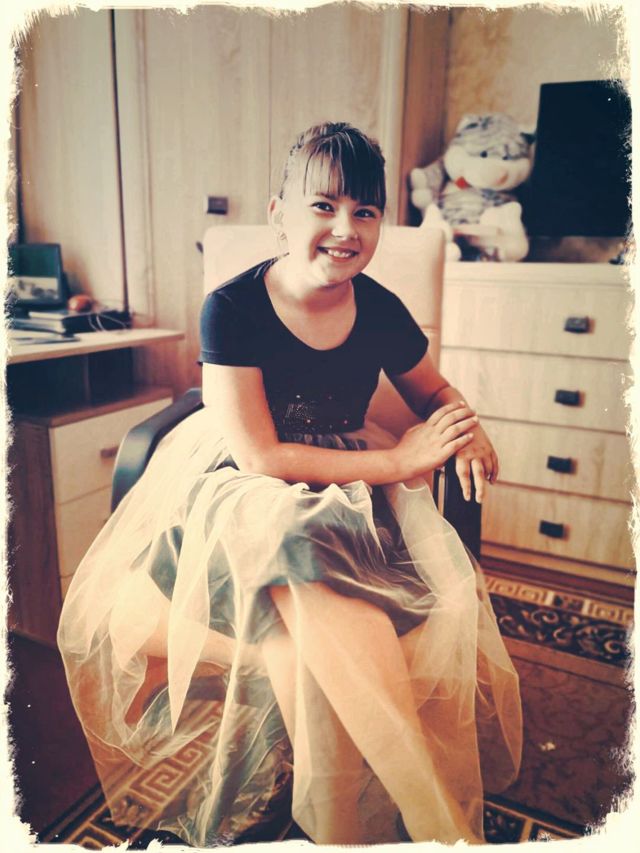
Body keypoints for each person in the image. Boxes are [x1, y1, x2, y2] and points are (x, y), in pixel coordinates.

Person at [58, 122, 522, 847]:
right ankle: (439, 824)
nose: (346, 228)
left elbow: (434, 390)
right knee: (288, 526)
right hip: (244, 485)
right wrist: (398, 462)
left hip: (348, 483)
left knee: (304, 639)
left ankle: (337, 830)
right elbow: (261, 457)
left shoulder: (380, 308)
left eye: (365, 211)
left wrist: (468, 424)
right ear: (280, 212)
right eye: (324, 206)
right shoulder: (233, 307)